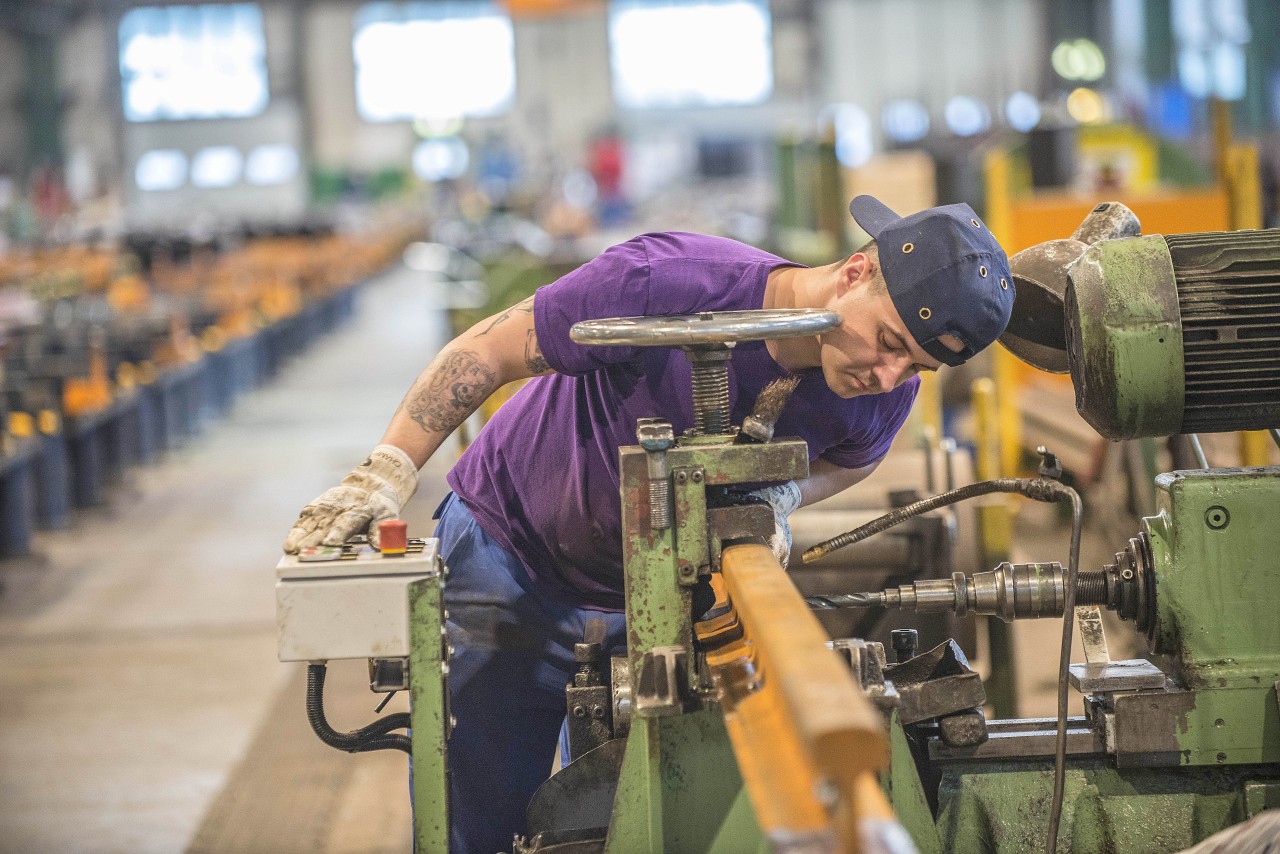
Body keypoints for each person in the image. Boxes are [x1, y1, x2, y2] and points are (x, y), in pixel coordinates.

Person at [283, 195, 1014, 853]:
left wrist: (785, 495)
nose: (887, 377)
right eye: (889, 342)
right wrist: (385, 472)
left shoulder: (879, 394)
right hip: (506, 565)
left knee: (610, 822)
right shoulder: (670, 279)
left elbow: (853, 459)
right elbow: (493, 347)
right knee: (475, 822)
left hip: (653, 611)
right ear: (856, 272)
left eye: (914, 368)